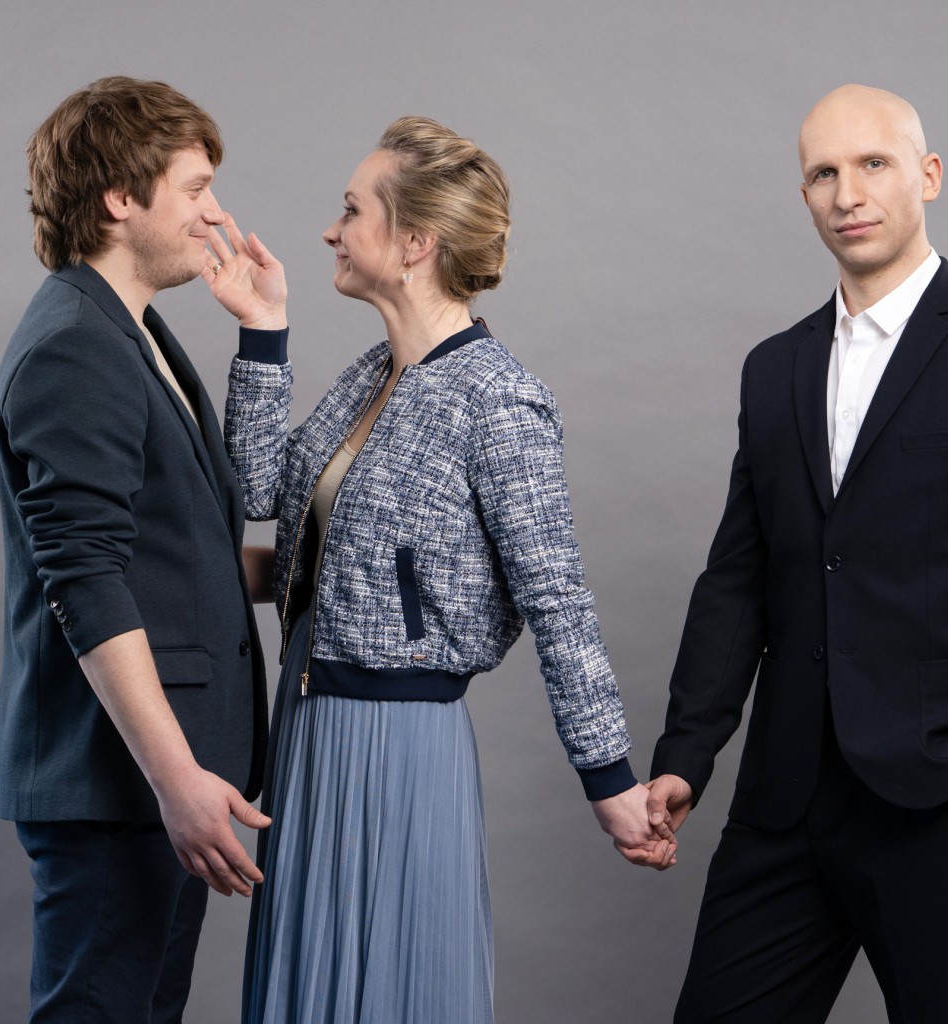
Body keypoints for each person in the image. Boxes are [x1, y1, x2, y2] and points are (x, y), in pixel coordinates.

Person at [643, 85, 948, 1023]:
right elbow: (739, 578)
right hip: (784, 796)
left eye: (873, 163)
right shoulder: (774, 367)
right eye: (824, 173)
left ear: (928, 175)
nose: (848, 193)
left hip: (941, 795)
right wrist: (687, 754)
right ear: (804, 196)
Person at [205, 116, 675, 1023]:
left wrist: (609, 778)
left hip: (396, 748)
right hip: (310, 728)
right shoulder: (371, 374)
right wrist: (263, 331)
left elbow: (557, 599)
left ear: (416, 241)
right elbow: (259, 496)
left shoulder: (498, 398)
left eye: (352, 210)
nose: (332, 230)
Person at [0, 76, 283, 1023]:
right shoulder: (77, 345)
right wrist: (176, 778)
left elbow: (177, 559)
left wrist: (323, 568)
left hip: (153, 781)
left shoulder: (132, 329)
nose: (216, 213)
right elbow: (86, 576)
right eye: (195, 189)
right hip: (123, 783)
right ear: (120, 197)